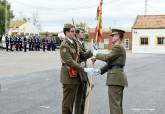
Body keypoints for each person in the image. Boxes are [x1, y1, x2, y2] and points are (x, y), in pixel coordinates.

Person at [92, 29, 128, 114]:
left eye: (113, 35)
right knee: (117, 105)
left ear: (118, 37)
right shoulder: (118, 47)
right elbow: (111, 63)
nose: (112, 37)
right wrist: (100, 71)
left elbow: (107, 58)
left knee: (114, 106)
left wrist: (95, 53)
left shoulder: (118, 47)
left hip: (115, 79)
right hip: (117, 78)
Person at [60, 24, 93, 114]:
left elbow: (82, 55)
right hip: (68, 76)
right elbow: (70, 61)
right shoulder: (64, 45)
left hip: (75, 75)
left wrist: (92, 52)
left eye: (74, 31)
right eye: (72, 31)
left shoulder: (75, 43)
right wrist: (83, 69)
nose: (74, 33)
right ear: (66, 32)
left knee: (74, 101)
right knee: (68, 104)